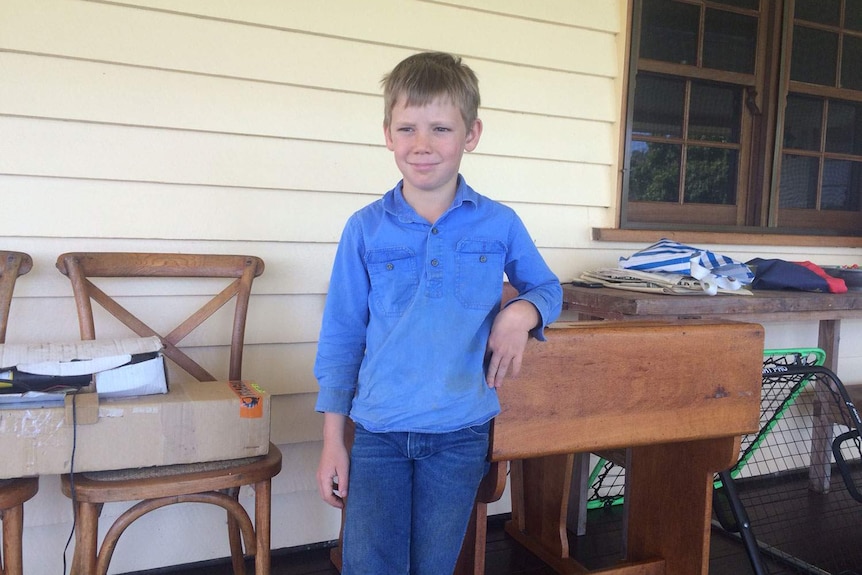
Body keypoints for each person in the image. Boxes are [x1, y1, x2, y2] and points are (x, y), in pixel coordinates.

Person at [314, 51, 562, 575]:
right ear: (387, 134)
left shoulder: (499, 223)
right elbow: (341, 337)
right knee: (370, 566)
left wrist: (520, 315)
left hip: (460, 434)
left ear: (471, 134)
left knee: (434, 565)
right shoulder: (364, 229)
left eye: (440, 128)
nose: (421, 144)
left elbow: (545, 287)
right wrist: (333, 442)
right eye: (407, 128)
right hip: (378, 432)